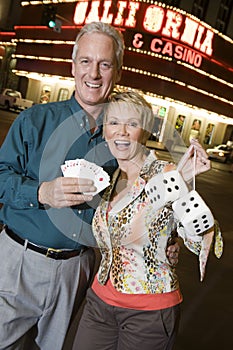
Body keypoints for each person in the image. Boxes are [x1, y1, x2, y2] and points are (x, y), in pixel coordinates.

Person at [0, 22, 185, 350]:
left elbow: (144, 202)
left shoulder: (123, 142)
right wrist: (41, 192)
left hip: (78, 269)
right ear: (73, 66)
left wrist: (168, 237)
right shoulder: (35, 120)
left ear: (118, 70)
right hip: (19, 262)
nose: (94, 73)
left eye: (104, 63)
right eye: (85, 61)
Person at [72, 91, 223, 350]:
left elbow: (201, 241)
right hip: (99, 303)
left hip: (148, 313)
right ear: (104, 129)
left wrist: (184, 187)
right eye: (114, 122)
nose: (121, 132)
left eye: (132, 124)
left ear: (145, 131)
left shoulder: (168, 174)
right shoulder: (109, 178)